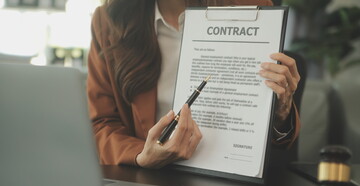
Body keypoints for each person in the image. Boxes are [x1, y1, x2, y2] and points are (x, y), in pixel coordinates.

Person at [87, 0, 301, 168]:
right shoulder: (108, 21)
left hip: (230, 177)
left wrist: (281, 111)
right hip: (150, 178)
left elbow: (276, 139)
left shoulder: (252, 8)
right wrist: (141, 155)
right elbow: (101, 124)